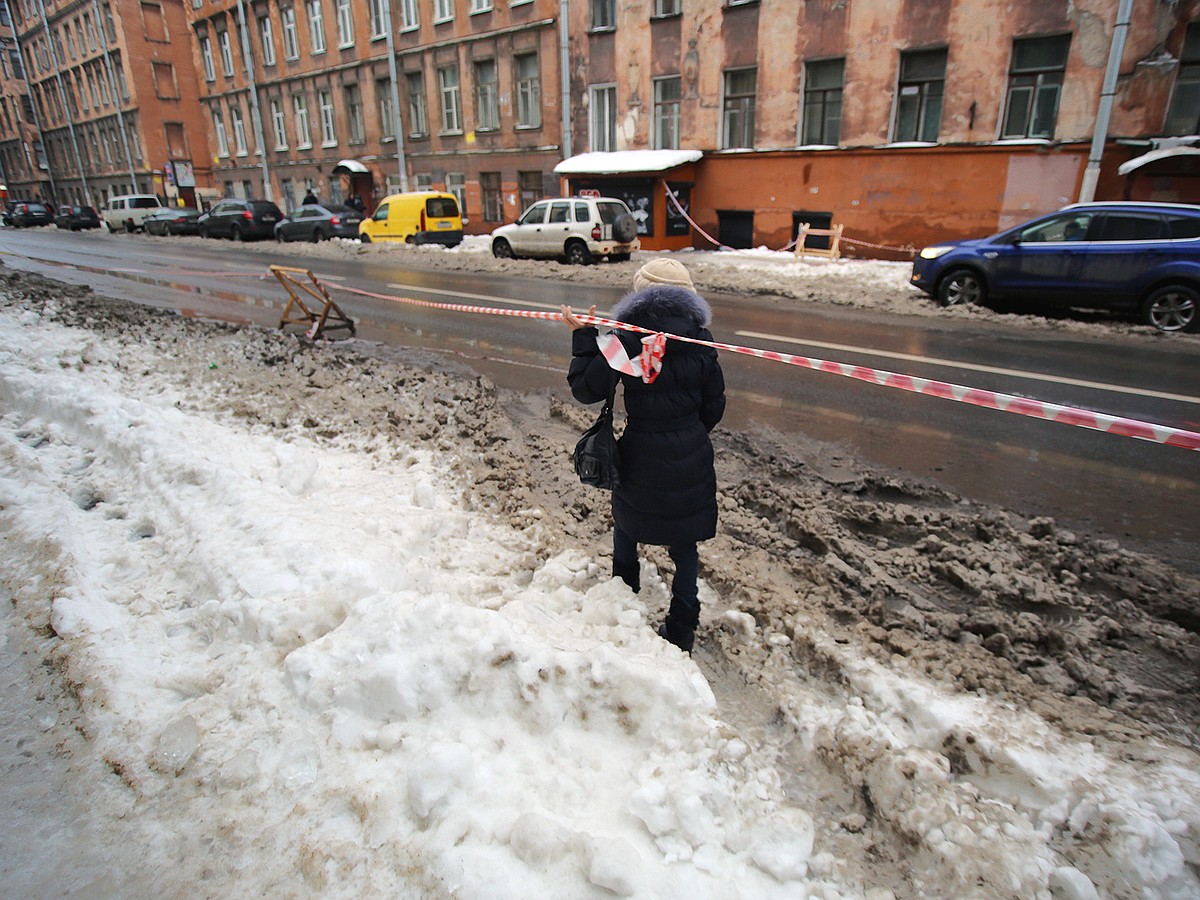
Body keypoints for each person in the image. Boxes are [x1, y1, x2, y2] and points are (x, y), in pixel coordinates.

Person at [562, 258, 726, 653]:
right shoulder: (701, 341)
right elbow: (714, 405)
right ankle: (683, 626)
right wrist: (688, 434)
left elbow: (585, 390)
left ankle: (625, 600)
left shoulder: (626, 339)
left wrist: (585, 338)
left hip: (640, 451)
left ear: (640, 293)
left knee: (627, 527)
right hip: (691, 452)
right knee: (685, 545)